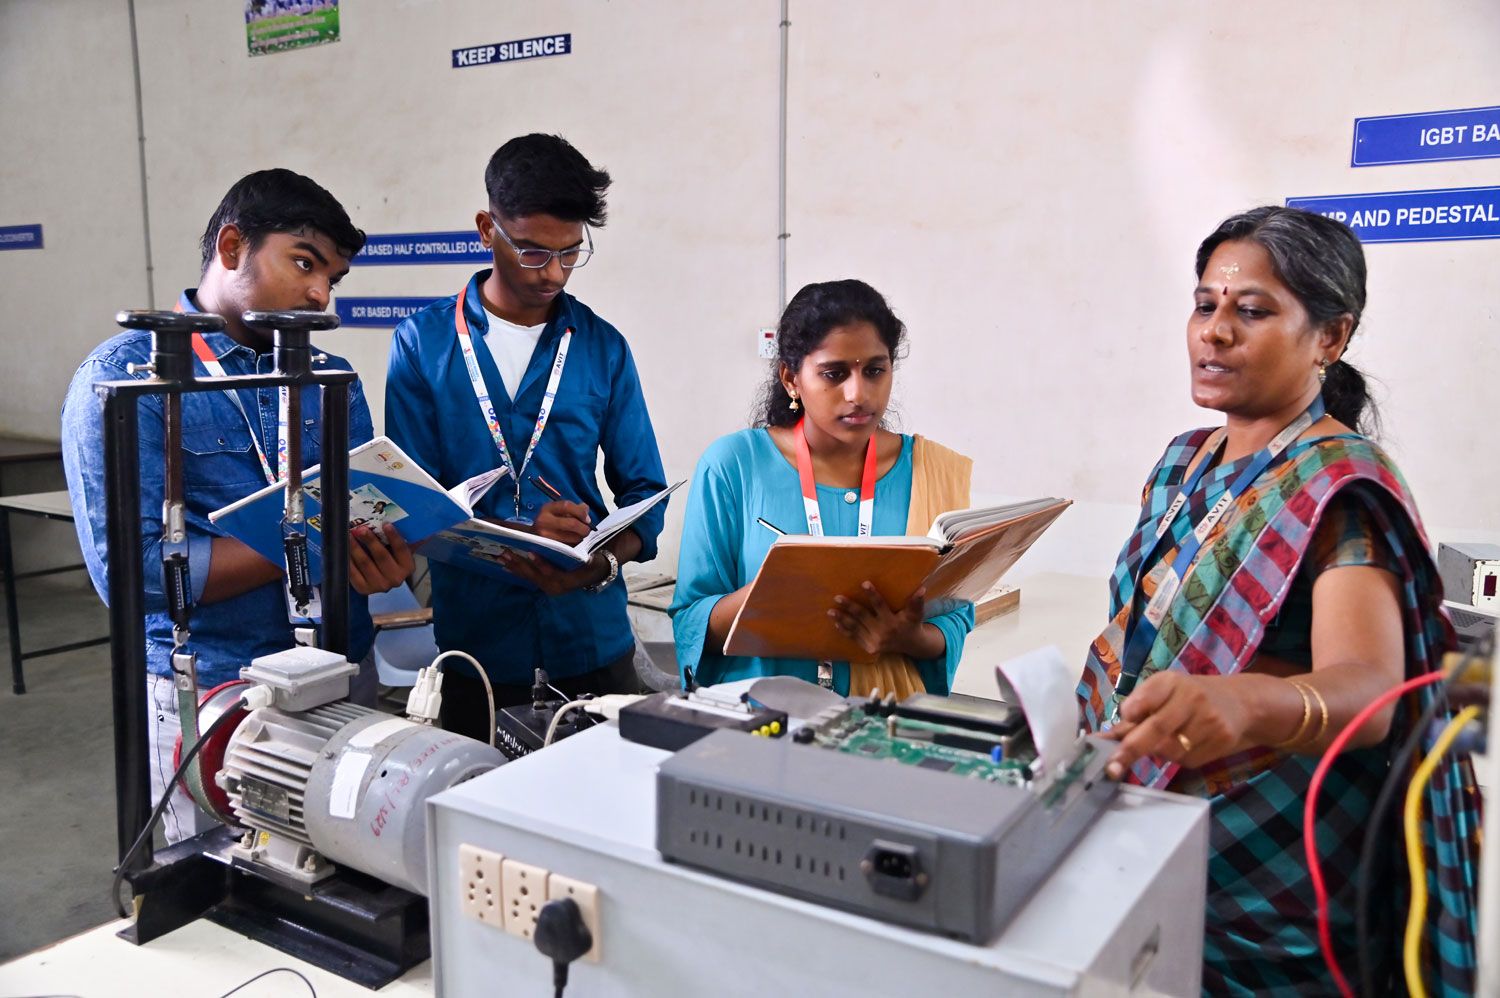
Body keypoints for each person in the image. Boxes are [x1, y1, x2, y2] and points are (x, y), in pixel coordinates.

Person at [1076, 206, 1481, 995]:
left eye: (1251, 311)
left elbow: (1369, 689)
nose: (1214, 332)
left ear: (1330, 337)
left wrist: (1245, 702)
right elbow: (1140, 636)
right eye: (1205, 305)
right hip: (1145, 827)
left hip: (1267, 876)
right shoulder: (1182, 463)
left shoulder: (1341, 487)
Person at [62, 169, 414, 841]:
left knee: (343, 868)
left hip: (341, 669)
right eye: (304, 263)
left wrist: (378, 558)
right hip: (216, 690)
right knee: (214, 884)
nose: (319, 294)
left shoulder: (330, 378)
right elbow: (132, 578)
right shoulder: (128, 377)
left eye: (333, 280)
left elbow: (370, 512)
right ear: (232, 247)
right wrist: (309, 540)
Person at [385, 134, 668, 741]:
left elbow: (646, 492)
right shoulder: (422, 345)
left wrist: (597, 564)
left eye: (571, 253)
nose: (556, 274)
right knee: (481, 825)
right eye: (535, 253)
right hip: (478, 653)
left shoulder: (602, 347)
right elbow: (412, 504)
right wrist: (519, 538)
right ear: (488, 228)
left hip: (593, 640)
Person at [671, 279, 975, 698]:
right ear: (792, 379)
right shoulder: (733, 465)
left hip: (886, 724)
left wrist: (906, 638)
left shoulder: (933, 470)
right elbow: (690, 619)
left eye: (874, 370)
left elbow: (955, 615)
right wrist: (775, 592)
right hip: (761, 720)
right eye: (834, 374)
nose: (858, 393)